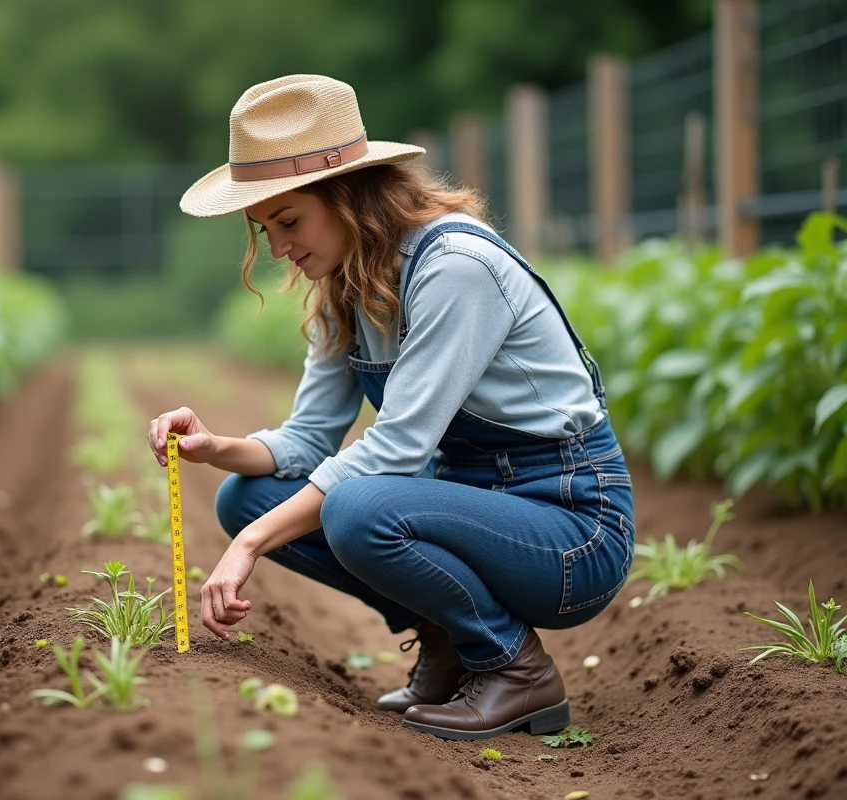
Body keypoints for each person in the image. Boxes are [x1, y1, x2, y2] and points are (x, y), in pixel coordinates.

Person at [146, 74, 635, 742]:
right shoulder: (344, 286)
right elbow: (309, 438)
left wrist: (249, 548)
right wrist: (214, 446)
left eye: (290, 221)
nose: (281, 249)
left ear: (349, 195)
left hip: (571, 526)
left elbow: (396, 450)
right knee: (246, 496)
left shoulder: (455, 266)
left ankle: (515, 671)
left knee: (352, 508)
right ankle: (445, 636)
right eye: (266, 229)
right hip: (470, 502)